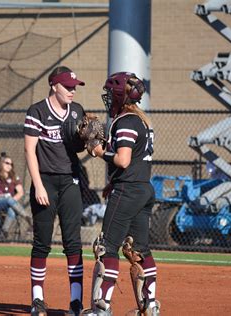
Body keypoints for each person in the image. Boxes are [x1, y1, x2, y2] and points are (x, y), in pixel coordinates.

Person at [86, 72, 159, 315]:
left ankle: (102, 306)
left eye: (110, 93)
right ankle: (150, 305)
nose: (108, 98)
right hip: (143, 189)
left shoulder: (126, 120)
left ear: (119, 95)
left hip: (128, 191)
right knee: (139, 250)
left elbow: (123, 159)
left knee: (107, 246)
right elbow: (136, 161)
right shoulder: (143, 121)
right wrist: (113, 181)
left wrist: (98, 151)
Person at [24, 66, 87, 316]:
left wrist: (89, 142)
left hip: (71, 181)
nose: (72, 91)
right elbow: (29, 150)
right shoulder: (37, 111)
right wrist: (38, 184)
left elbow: (79, 148)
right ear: (53, 85)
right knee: (42, 243)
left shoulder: (78, 111)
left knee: (73, 242)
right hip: (46, 182)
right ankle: (37, 300)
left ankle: (75, 302)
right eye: (67, 86)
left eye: (74, 87)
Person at [0, 152, 31, 238]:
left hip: (10, 204)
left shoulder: (14, 178)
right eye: (7, 163)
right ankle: (27, 217)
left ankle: (3, 232)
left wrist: (11, 201)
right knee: (8, 199)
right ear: (1, 164)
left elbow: (20, 192)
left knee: (11, 210)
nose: (10, 165)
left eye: (11, 164)